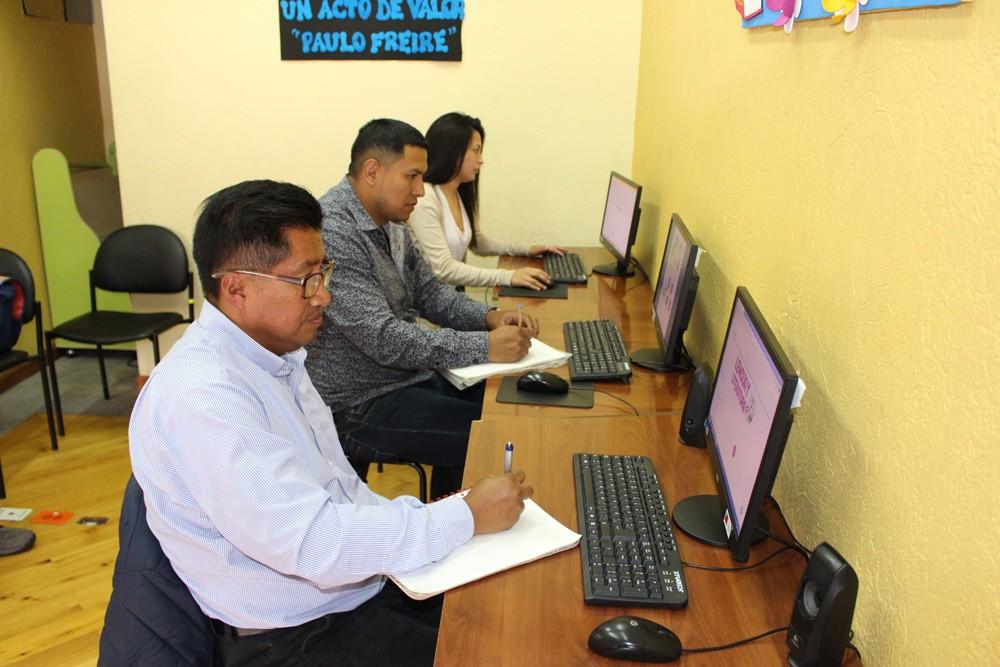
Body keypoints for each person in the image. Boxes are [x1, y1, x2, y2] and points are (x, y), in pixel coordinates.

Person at [128, 179, 534, 666]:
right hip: (295, 635)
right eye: (306, 280)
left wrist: (443, 519)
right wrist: (463, 517)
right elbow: (314, 543)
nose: (323, 297)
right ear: (236, 288)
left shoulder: (274, 355)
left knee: (511, 612)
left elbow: (341, 492)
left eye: (324, 273)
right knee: (499, 649)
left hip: (351, 591)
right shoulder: (204, 397)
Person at [306, 119, 538, 498]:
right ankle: (459, 520)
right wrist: (484, 345)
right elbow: (384, 339)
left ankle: (454, 513)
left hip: (406, 378)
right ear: (372, 172)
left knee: (506, 404)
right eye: (412, 176)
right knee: (491, 434)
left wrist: (487, 318)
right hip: (357, 403)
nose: (420, 190)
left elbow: (430, 292)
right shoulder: (334, 231)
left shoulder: (392, 220)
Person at [408, 112, 565, 290]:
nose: (481, 160)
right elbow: (443, 269)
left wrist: (527, 250)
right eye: (476, 150)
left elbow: (478, 243)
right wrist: (507, 276)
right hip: (430, 303)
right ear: (452, 151)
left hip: (453, 297)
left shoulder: (458, 192)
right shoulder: (425, 198)